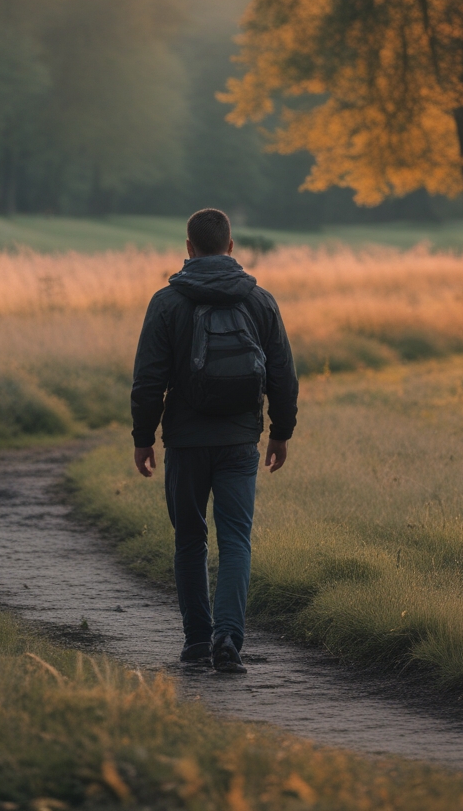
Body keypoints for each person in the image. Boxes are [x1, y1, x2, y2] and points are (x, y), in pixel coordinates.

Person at [131, 208, 299, 674]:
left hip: (185, 442)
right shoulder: (260, 301)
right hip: (240, 440)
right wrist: (281, 432)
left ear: (189, 248)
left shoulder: (166, 303)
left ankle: (195, 642)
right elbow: (284, 375)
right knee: (236, 541)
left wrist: (143, 438)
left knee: (189, 540)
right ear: (230, 247)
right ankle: (229, 637)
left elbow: (148, 381)